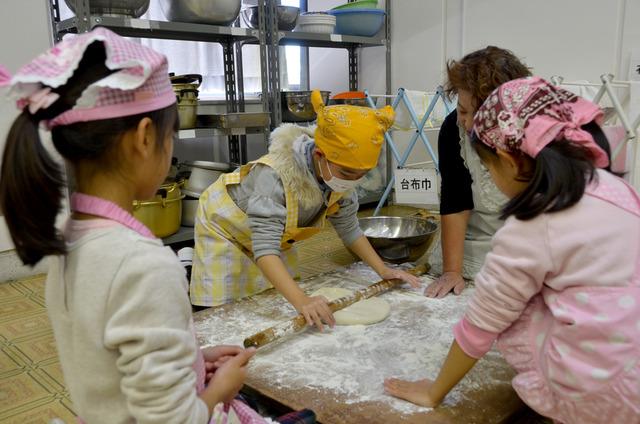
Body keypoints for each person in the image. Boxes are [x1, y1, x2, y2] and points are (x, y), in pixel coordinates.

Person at [0, 28, 314, 423]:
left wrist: (193, 363)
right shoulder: (144, 266)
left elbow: (113, 357)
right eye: (172, 137)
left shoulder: (70, 243)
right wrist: (221, 388)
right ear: (146, 138)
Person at [384, 77, 640, 423]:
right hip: (633, 369)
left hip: (596, 390)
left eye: (488, 168)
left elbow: (482, 322)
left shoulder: (533, 223)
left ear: (508, 160)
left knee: (513, 308)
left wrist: (434, 391)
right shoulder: (616, 188)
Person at [190, 91, 421, 329]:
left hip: (275, 237)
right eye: (348, 174)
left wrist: (383, 269)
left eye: (361, 175)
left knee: (275, 304)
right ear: (320, 155)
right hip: (226, 228)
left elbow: (350, 228)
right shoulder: (276, 176)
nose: (353, 182)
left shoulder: (338, 175)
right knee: (221, 316)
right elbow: (265, 248)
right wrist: (302, 301)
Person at [425, 46, 531, 298]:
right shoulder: (454, 130)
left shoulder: (535, 132)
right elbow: (455, 199)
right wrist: (452, 270)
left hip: (532, 240)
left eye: (476, 113)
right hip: (476, 240)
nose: (466, 121)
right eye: (461, 110)